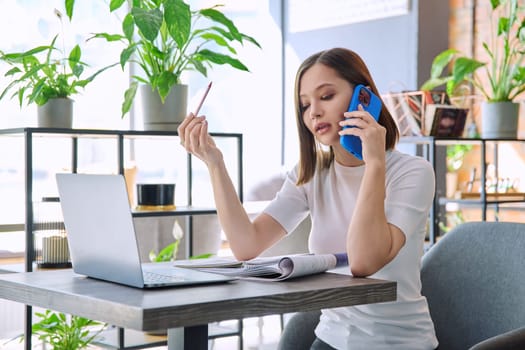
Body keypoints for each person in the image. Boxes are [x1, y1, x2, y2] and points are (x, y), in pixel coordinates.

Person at [178, 47, 438, 350]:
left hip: (397, 343)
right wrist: (214, 162)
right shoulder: (312, 173)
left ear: (364, 99)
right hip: (330, 339)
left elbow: (364, 262)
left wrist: (375, 163)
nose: (313, 112)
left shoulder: (412, 172)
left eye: (326, 96)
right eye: (304, 105)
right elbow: (246, 245)